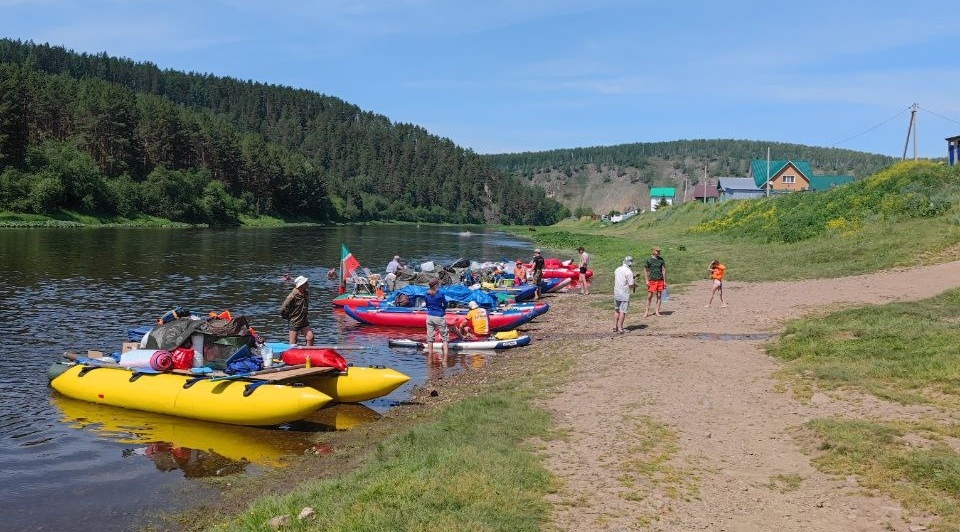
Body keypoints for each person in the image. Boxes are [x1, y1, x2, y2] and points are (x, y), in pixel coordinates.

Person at [280, 275, 314, 346]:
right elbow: (283, 306)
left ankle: (308, 354)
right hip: (294, 321)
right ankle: (291, 355)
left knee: (310, 337)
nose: (307, 283)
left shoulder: (305, 293)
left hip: (303, 320)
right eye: (305, 283)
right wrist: (287, 316)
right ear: (301, 285)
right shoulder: (293, 295)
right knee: (293, 342)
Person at [424, 278, 449, 359]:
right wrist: (443, 309)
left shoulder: (426, 294)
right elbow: (445, 303)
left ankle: (430, 357)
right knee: (444, 338)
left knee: (430, 338)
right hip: (439, 316)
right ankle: (445, 358)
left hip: (430, 316)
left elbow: (427, 305)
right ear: (436, 285)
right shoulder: (440, 293)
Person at [613, 256, 636, 333]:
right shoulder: (629, 272)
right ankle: (620, 328)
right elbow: (631, 285)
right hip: (624, 294)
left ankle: (615, 326)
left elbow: (621, 278)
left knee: (617, 310)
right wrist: (635, 285)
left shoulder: (617, 269)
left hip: (616, 292)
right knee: (623, 311)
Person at [642, 246, 667, 318]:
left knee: (659, 296)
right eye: (657, 251)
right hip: (652, 280)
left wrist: (664, 281)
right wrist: (646, 280)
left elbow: (664, 270)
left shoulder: (661, 260)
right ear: (653, 251)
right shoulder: (649, 260)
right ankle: (646, 311)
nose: (659, 252)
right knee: (649, 296)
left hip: (660, 280)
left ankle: (657, 311)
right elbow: (645, 270)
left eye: (659, 251)